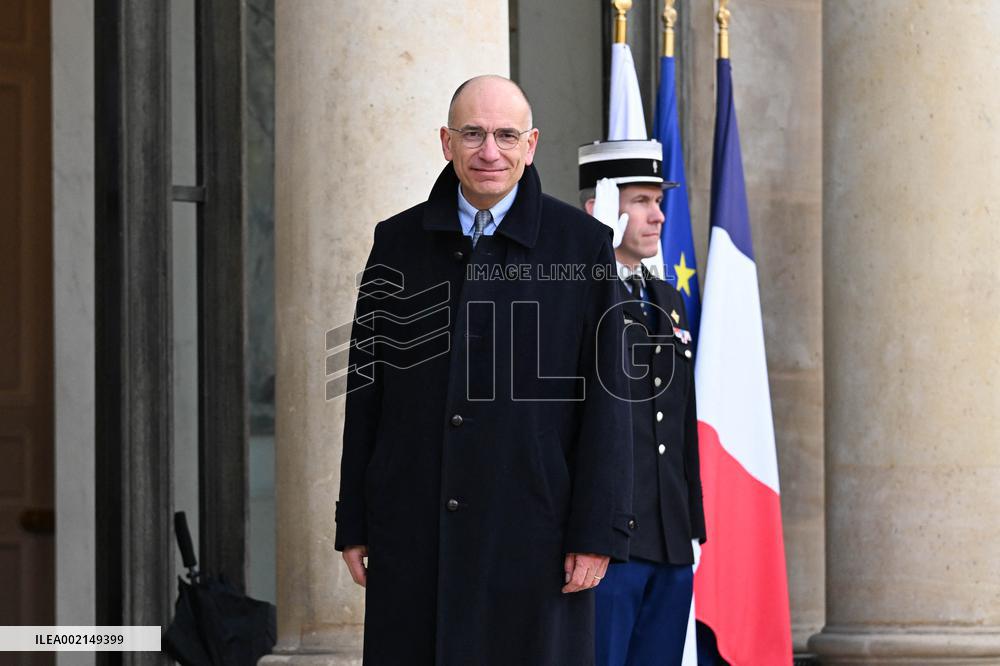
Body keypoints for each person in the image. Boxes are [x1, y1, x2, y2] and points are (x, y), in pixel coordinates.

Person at [335, 75, 635, 666]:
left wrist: (598, 531)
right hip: (413, 526)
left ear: (532, 144)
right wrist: (355, 517)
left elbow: (610, 400)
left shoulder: (582, 246)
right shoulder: (396, 242)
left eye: (505, 134)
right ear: (446, 142)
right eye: (472, 133)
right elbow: (365, 386)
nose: (489, 151)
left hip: (535, 533)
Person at [579, 139, 707, 666]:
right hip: (608, 542)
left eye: (658, 200)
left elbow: (678, 423)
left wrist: (693, 525)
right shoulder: (581, 291)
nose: (658, 216)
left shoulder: (667, 298)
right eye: (641, 201)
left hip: (669, 539)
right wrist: (595, 250)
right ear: (602, 208)